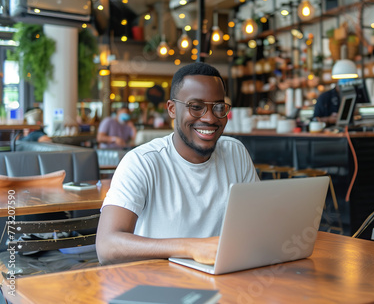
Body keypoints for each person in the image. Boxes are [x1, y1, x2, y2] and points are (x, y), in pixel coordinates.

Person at [96, 62, 259, 265]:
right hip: (160, 285)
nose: (209, 118)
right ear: (172, 109)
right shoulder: (142, 162)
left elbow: (258, 222)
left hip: (225, 280)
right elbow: (106, 246)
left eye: (218, 107)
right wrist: (191, 248)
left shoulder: (236, 153)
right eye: (196, 107)